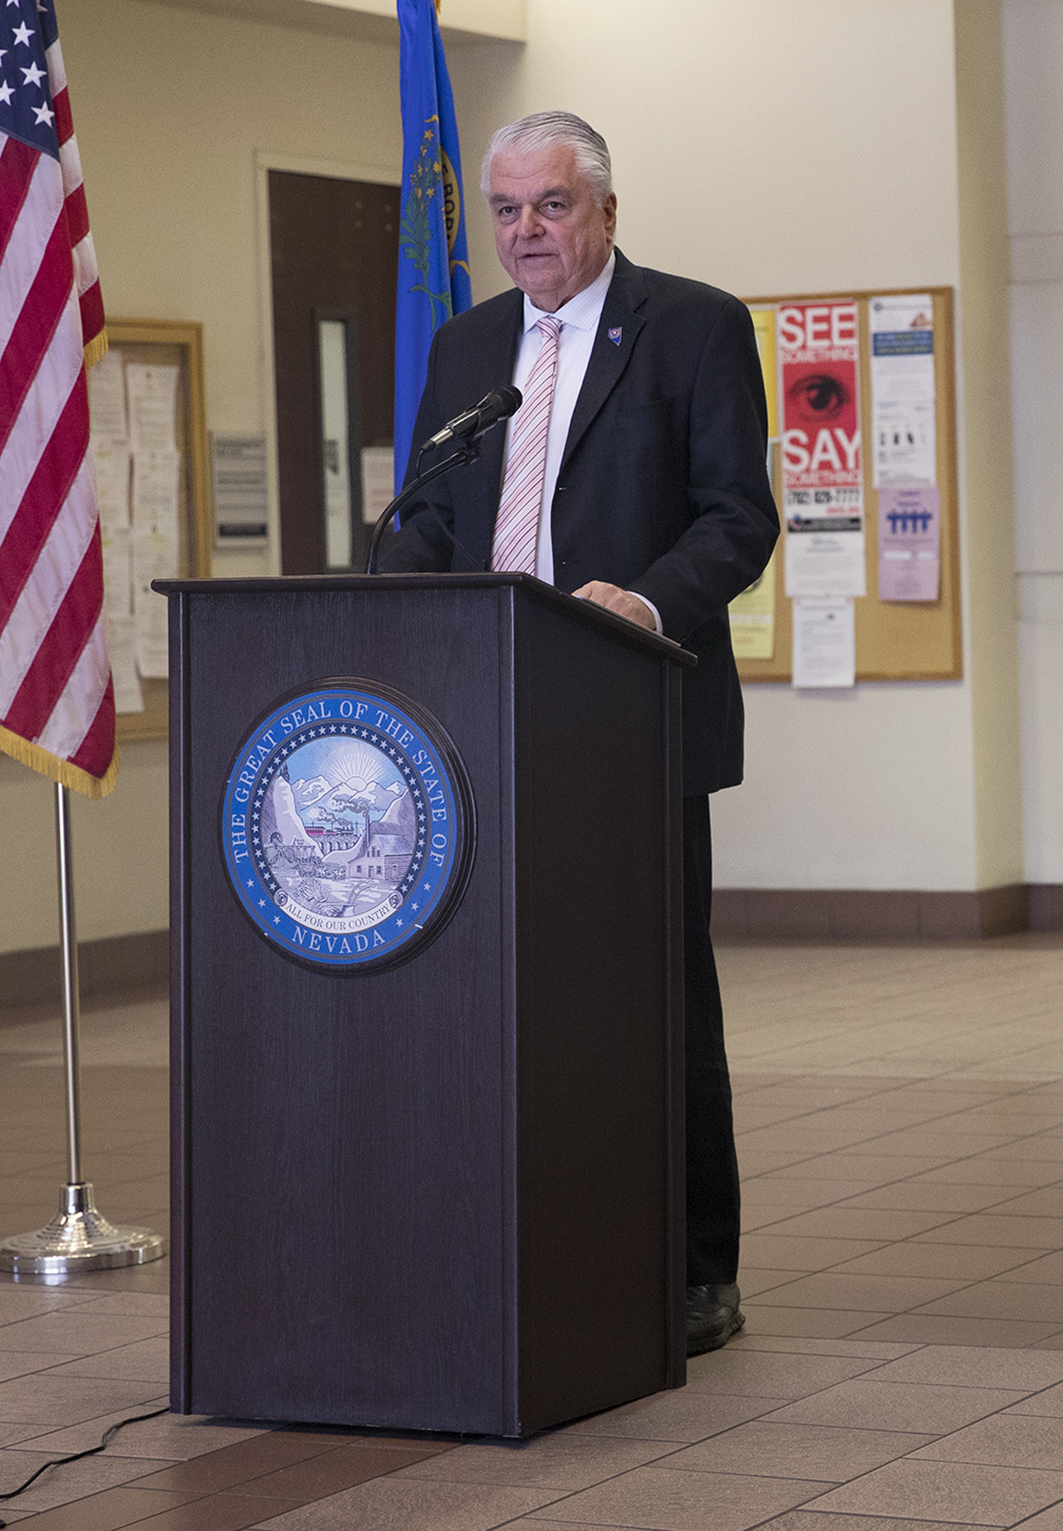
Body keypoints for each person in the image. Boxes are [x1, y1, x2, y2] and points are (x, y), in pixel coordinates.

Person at [376, 110, 777, 1357]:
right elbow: (433, 513)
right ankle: (510, 1235)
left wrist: (644, 601)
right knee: (492, 997)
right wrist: (396, 579)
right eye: (504, 210)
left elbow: (737, 515)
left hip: (630, 711)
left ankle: (698, 1265)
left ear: (603, 210)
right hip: (481, 724)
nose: (524, 233)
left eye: (550, 206)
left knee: (657, 1000)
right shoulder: (466, 347)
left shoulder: (694, 324)